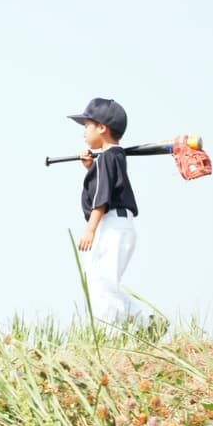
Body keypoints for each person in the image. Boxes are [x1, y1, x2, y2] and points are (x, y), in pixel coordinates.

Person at [67, 97, 152, 332]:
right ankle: (146, 322)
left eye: (87, 126)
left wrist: (90, 229)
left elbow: (101, 197)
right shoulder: (111, 157)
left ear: (102, 128)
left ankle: (112, 333)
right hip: (118, 224)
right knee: (103, 283)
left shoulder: (107, 158)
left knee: (102, 285)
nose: (84, 133)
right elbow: (105, 185)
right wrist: (91, 168)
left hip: (111, 224)